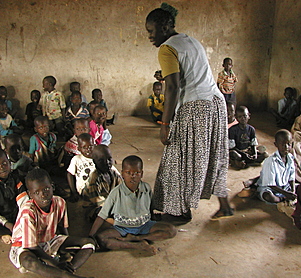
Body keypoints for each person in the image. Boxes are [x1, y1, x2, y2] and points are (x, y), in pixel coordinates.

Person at [145, 3, 232, 221]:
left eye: (151, 31)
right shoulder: (191, 41)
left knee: (177, 159)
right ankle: (224, 205)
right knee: (214, 154)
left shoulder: (166, 49)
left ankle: (180, 211)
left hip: (196, 107)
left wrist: (165, 125)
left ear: (164, 28)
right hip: (216, 103)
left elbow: (172, 87)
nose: (149, 36)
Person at [9, 168, 95, 277]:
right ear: (30, 195)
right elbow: (32, 246)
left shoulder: (60, 202)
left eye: (46, 189)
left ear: (52, 187)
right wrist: (56, 263)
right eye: (37, 192)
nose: (43, 195)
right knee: (28, 261)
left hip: (49, 240)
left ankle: (69, 269)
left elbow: (63, 228)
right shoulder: (28, 212)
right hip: (25, 246)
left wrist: (64, 248)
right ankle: (64, 274)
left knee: (89, 243)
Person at [89, 155, 176, 255]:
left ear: (141, 173)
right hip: (122, 228)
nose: (132, 176)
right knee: (101, 238)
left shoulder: (146, 188)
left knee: (171, 230)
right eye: (128, 173)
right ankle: (137, 245)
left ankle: (137, 238)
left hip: (144, 225)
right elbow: (101, 215)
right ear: (122, 174)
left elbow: (150, 207)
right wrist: (91, 235)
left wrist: (151, 221)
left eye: (136, 173)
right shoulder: (116, 193)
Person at [83, 144, 122, 210]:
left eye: (109, 159)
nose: (107, 163)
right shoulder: (94, 179)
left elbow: (123, 187)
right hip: (95, 207)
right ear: (94, 162)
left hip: (110, 203)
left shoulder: (113, 173)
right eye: (101, 161)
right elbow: (97, 201)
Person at [67, 133, 95, 202]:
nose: (88, 149)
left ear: (95, 146)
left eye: (90, 146)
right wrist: (73, 192)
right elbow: (70, 174)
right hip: (84, 189)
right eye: (84, 147)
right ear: (79, 148)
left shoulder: (98, 157)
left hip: (97, 187)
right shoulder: (76, 159)